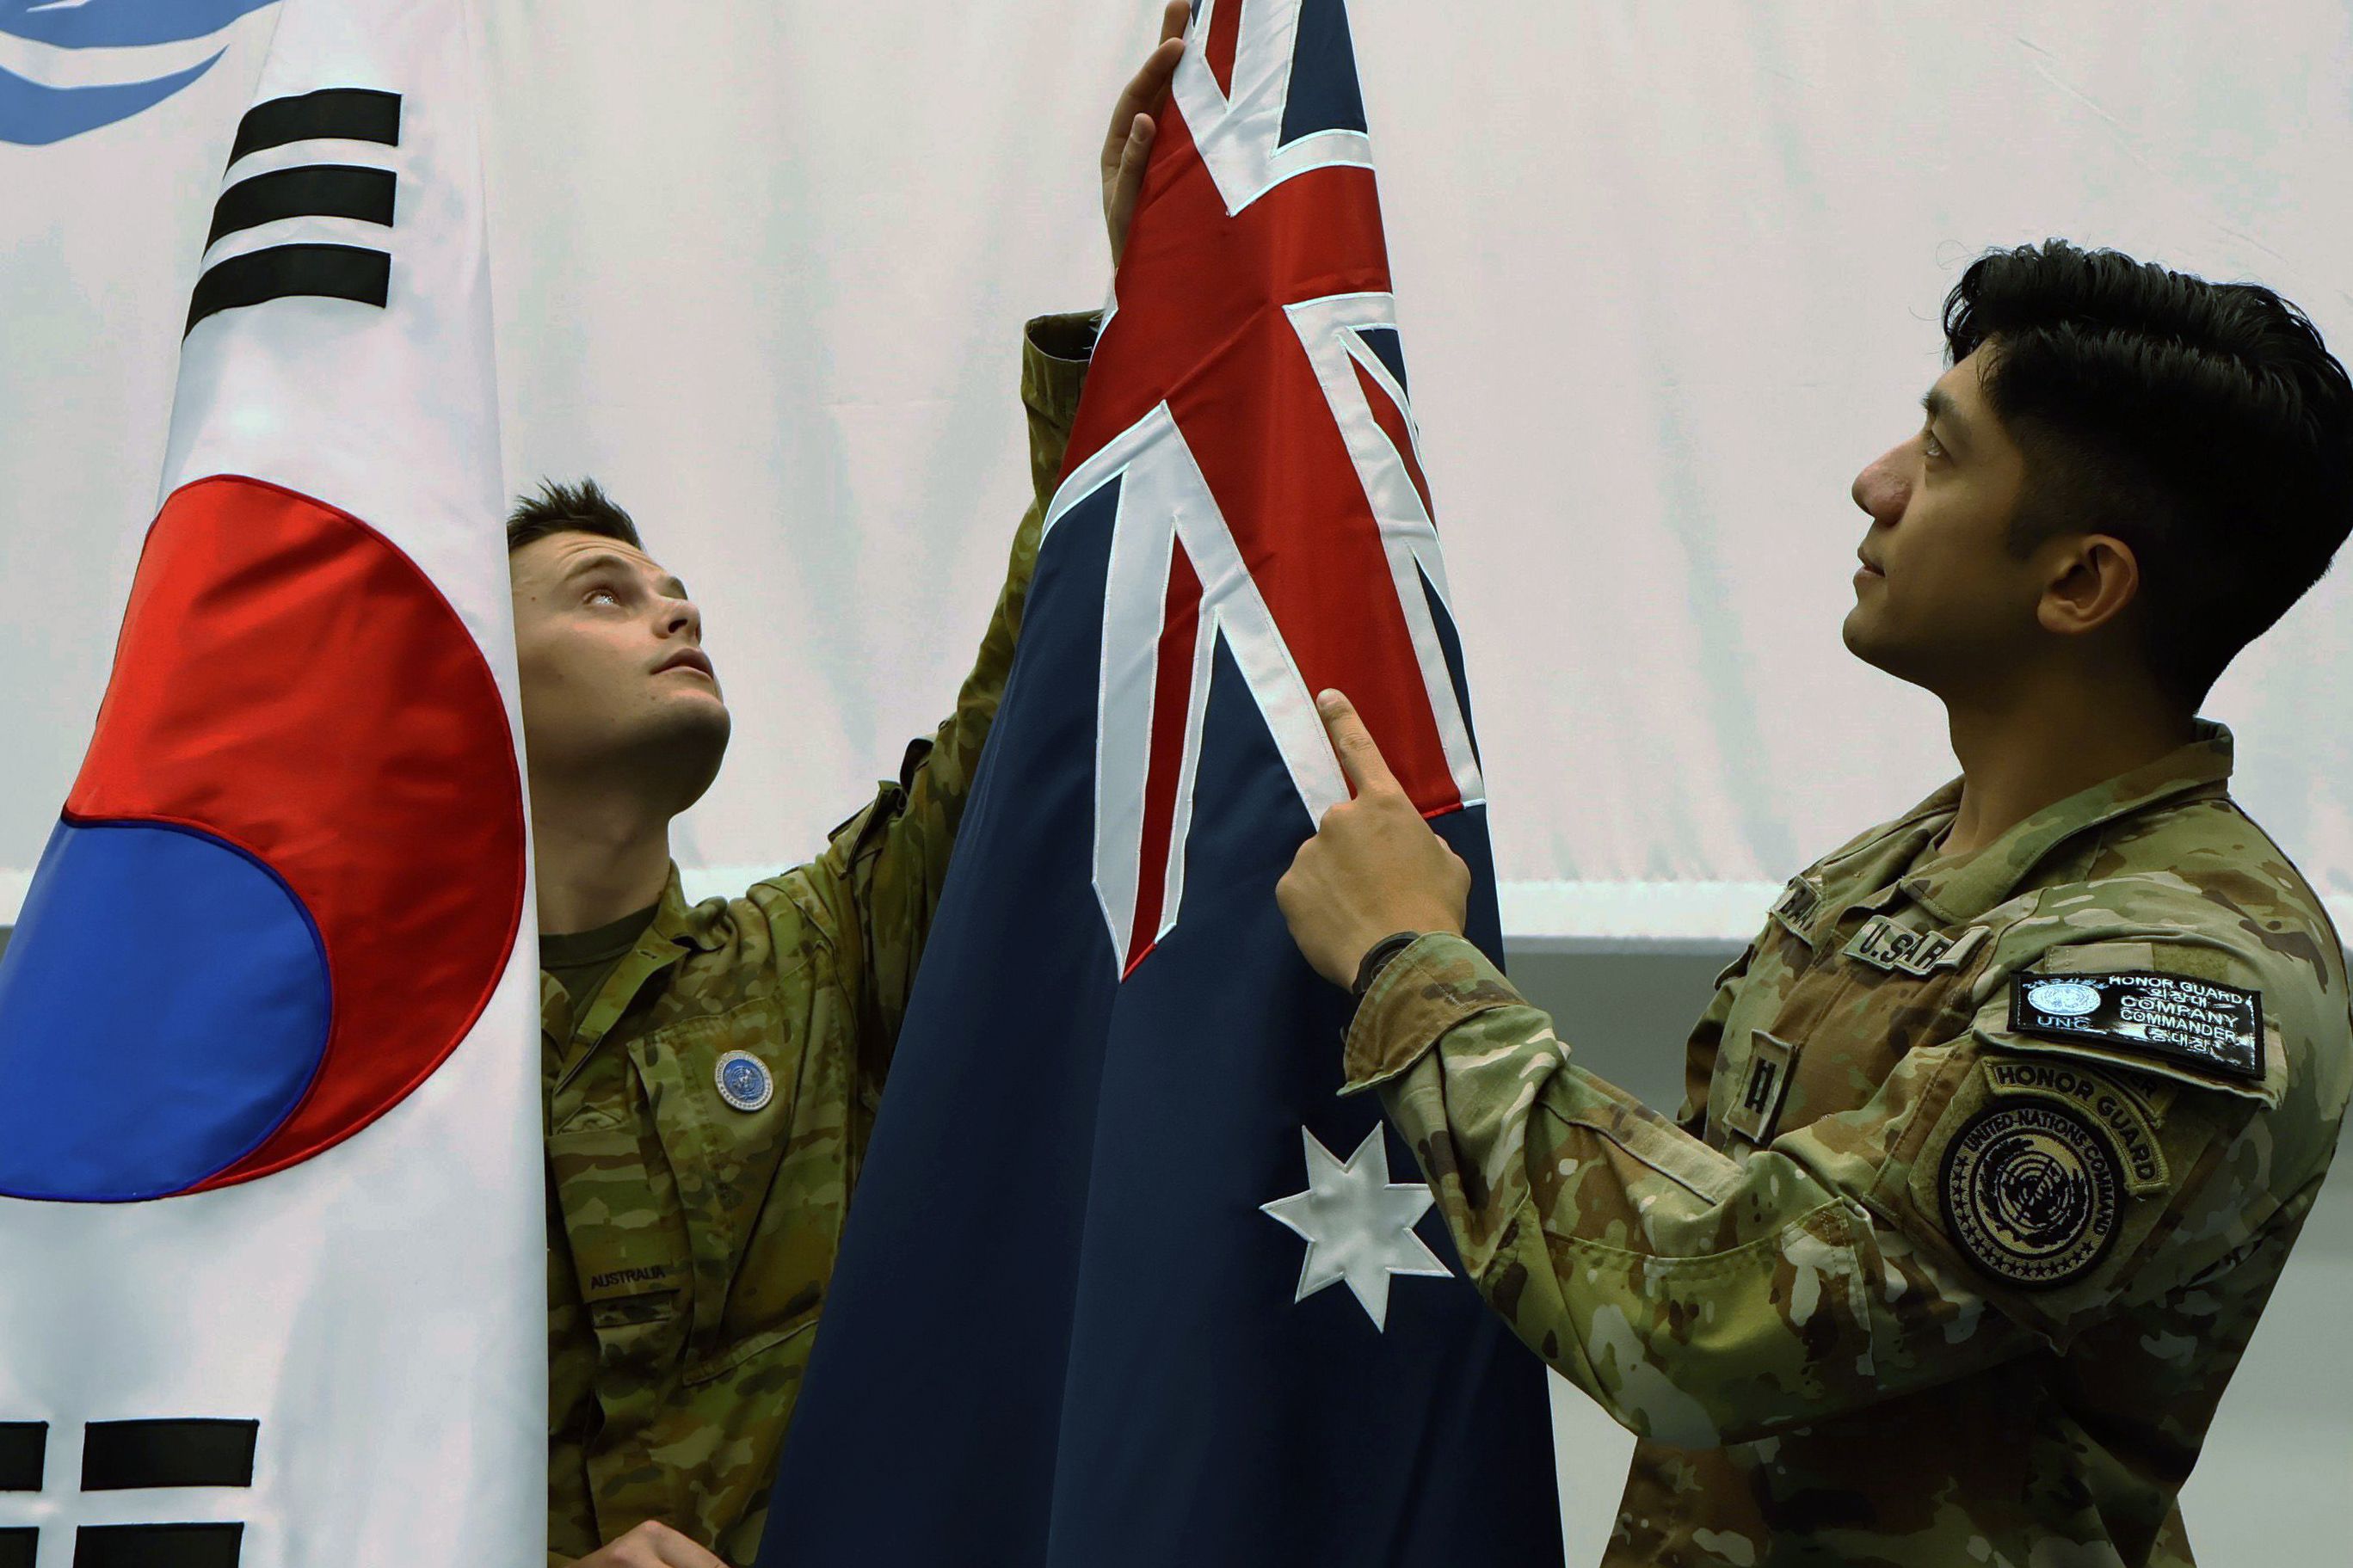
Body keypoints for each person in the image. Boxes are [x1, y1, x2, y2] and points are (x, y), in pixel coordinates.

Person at [1276, 241, 2353, 1566]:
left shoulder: (2183, 978)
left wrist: (1412, 969)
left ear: (2079, 583)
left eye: (1944, 455)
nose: (1877, 483)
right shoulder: (1887, 873)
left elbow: (1708, 1316)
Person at [514, 9, 1192, 1563]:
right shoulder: (386, 1048)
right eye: (603, 595)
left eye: (677, 585)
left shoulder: (811, 962)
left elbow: (1025, 711)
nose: (675, 609)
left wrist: (1145, 311)